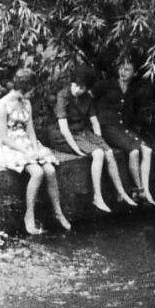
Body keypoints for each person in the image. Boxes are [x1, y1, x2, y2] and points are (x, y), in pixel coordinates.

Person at [0, 84, 72, 236]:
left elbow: (31, 130)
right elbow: (4, 137)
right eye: (30, 91)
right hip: (9, 145)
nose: (31, 95)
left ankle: (58, 212)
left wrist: (35, 150)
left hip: (27, 141)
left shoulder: (26, 103)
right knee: (37, 173)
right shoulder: (2, 106)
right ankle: (29, 215)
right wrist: (25, 151)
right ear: (21, 90)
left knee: (50, 170)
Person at [53, 69, 136, 213]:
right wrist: (77, 150)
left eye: (82, 87)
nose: (78, 90)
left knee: (108, 152)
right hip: (65, 135)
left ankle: (121, 192)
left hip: (82, 131)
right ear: (72, 83)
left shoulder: (87, 98)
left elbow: (95, 122)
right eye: (76, 85)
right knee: (98, 153)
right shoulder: (63, 96)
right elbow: (64, 129)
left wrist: (100, 141)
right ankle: (97, 197)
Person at [100, 56, 155, 210]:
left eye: (127, 70)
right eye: (121, 68)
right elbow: (89, 98)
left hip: (122, 128)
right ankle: (140, 190)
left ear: (134, 73)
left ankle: (146, 190)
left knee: (147, 150)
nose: (123, 72)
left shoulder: (133, 90)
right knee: (133, 151)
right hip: (108, 127)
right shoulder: (107, 85)